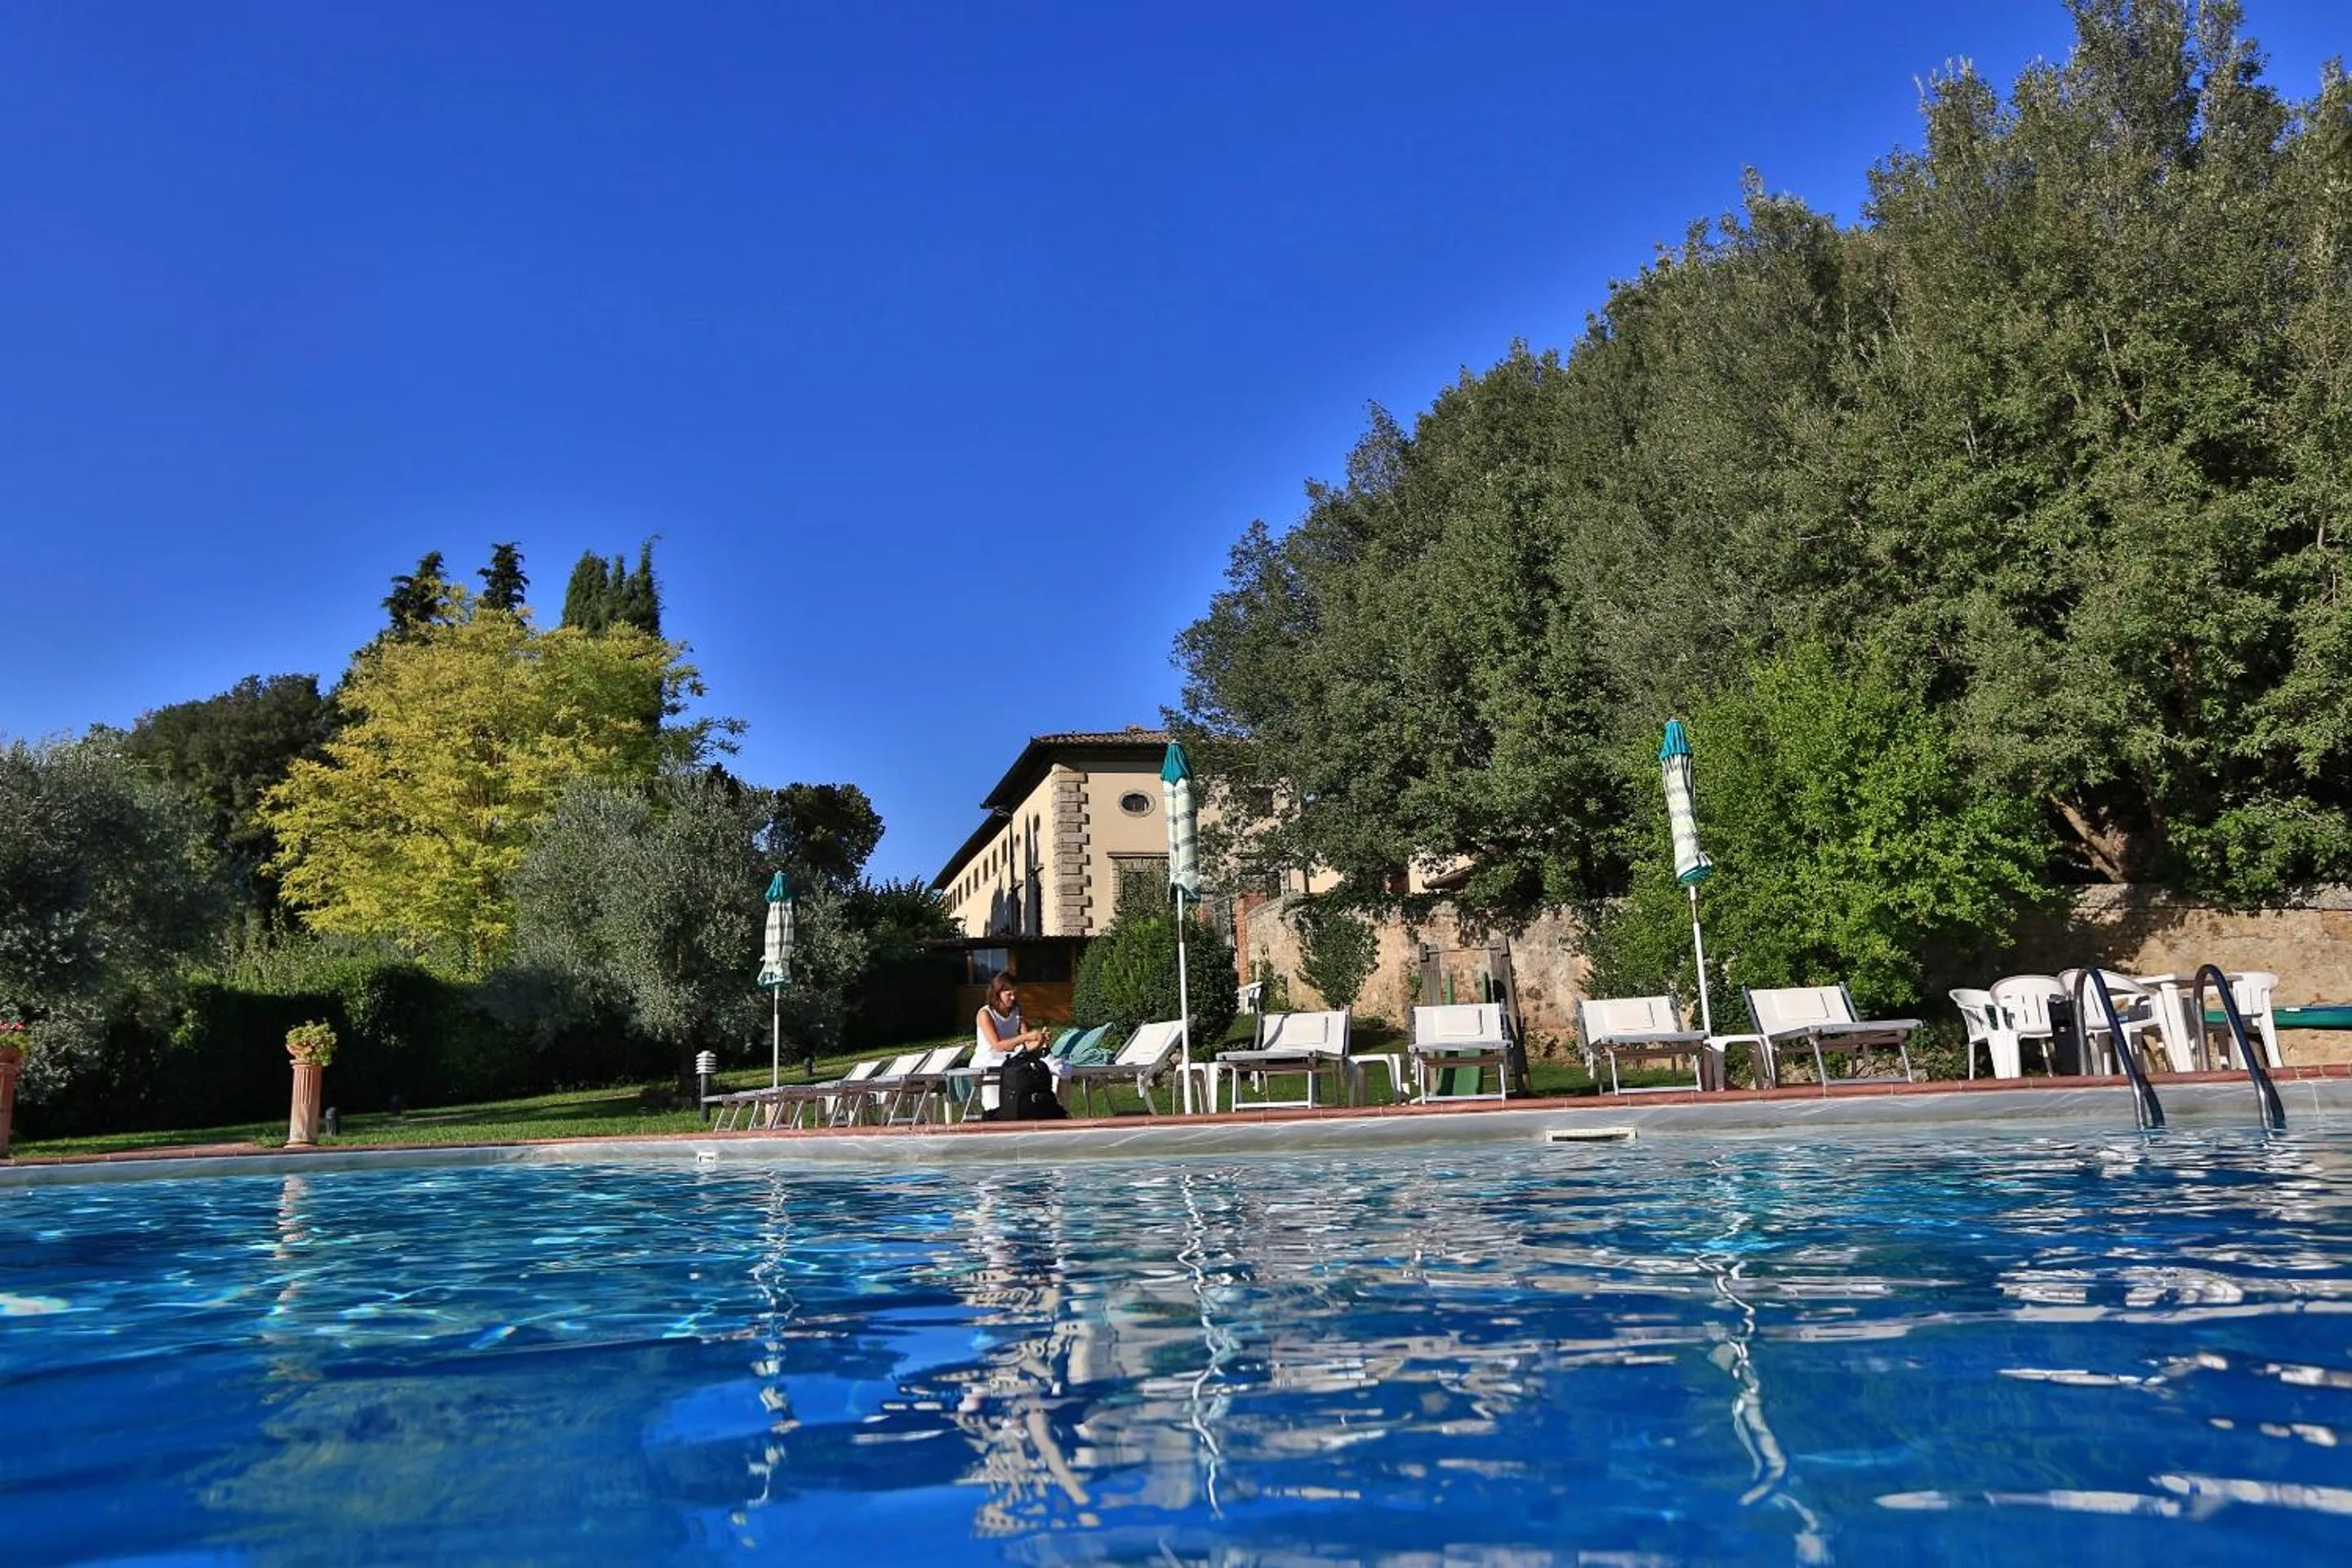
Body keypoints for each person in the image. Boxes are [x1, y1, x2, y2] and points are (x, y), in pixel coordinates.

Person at [973, 973, 1058, 1112]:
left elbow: (1027, 1046)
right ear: (997, 993)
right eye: (1009, 995)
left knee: (1043, 1067)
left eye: (1015, 994)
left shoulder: (1017, 1011)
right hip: (988, 1060)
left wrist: (1040, 1040)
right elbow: (998, 1045)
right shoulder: (985, 1014)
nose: (1013, 998)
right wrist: (1026, 1038)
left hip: (1012, 1059)